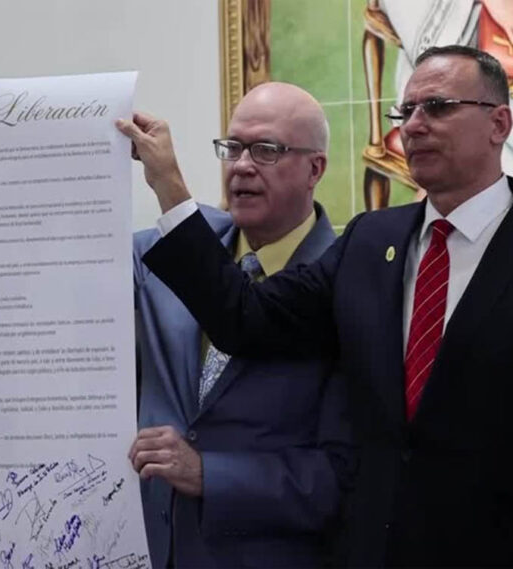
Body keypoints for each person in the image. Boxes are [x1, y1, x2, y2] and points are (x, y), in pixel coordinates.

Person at [0, 72, 354, 567]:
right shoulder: (163, 250)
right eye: (232, 147)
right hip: (137, 546)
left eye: (267, 150)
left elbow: (338, 478)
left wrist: (211, 473)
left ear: (316, 168)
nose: (243, 167)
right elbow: (31, 262)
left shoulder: (348, 285)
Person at [118, 44, 513, 567]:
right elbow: (245, 319)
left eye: (437, 107)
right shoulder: (372, 242)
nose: (414, 125)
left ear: (499, 123)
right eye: (406, 111)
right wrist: (169, 185)